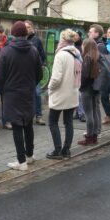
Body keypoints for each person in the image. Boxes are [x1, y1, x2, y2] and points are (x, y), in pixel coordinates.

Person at [0, 21, 43, 171]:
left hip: (12, 93)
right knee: (28, 124)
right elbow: (39, 74)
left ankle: (21, 161)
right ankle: (29, 155)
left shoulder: (6, 51)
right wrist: (31, 84)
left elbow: (0, 76)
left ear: (13, 34)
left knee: (17, 126)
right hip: (28, 92)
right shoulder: (34, 50)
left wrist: (4, 90)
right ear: (26, 33)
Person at [46, 29, 81, 160]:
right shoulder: (77, 53)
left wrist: (49, 88)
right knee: (68, 122)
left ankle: (57, 150)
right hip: (72, 92)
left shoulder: (60, 55)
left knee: (53, 121)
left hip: (60, 93)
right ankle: (67, 150)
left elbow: (56, 78)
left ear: (63, 40)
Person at [78, 38, 110, 146]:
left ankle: (89, 137)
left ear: (86, 46)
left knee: (88, 114)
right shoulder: (98, 56)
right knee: (95, 112)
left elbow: (85, 76)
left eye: (83, 44)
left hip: (87, 89)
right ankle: (95, 135)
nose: (82, 46)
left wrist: (79, 86)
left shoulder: (87, 58)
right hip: (96, 87)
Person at [24, 20, 47, 126]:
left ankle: (38, 116)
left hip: (34, 73)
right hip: (23, 73)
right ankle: (26, 115)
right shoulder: (20, 39)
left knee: (37, 94)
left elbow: (43, 55)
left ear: (32, 28)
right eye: (25, 27)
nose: (27, 29)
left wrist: (39, 66)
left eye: (28, 27)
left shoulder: (36, 40)